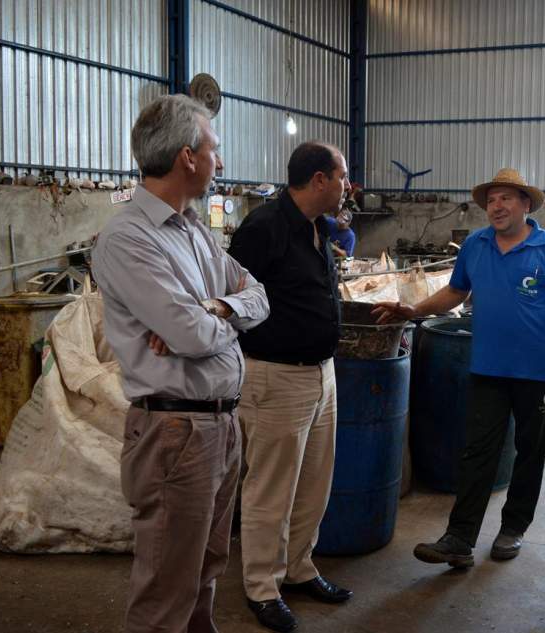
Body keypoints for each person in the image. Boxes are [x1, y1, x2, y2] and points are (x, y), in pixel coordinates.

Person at [92, 94, 270, 633]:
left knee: (205, 570)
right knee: (167, 586)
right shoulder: (128, 239)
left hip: (219, 423)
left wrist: (217, 307)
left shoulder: (193, 230)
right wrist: (206, 322)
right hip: (176, 431)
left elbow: (258, 297)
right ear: (188, 157)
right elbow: (188, 335)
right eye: (213, 148)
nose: (219, 159)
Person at [374, 168, 545, 567]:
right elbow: (456, 291)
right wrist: (415, 310)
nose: (497, 206)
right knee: (476, 452)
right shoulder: (476, 244)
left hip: (537, 374)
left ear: (526, 204)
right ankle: (460, 537)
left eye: (506, 198)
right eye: (491, 200)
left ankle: (513, 528)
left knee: (529, 452)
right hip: (487, 368)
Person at [227, 141, 352, 633]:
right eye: (342, 176)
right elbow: (232, 300)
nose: (348, 185)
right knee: (270, 489)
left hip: (322, 373)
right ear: (319, 180)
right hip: (275, 375)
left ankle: (298, 568)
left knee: (314, 484)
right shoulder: (264, 228)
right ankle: (262, 586)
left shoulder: (317, 228)